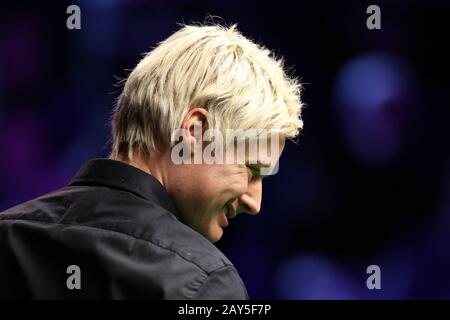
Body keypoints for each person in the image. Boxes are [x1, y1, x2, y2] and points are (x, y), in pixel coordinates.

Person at [0, 23, 304, 299]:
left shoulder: (8, 234)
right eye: (251, 170)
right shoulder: (200, 282)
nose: (255, 201)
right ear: (197, 133)